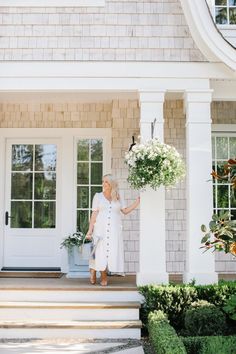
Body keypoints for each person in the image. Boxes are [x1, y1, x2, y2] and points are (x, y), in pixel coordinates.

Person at [86, 174, 140, 286]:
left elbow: (124, 211)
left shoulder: (118, 197)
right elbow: (94, 214)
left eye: (106, 182)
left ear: (112, 184)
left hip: (114, 230)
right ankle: (102, 276)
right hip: (100, 229)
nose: (103, 184)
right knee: (100, 253)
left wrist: (137, 203)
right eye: (103, 181)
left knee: (110, 253)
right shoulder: (98, 196)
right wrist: (90, 231)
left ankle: (93, 270)